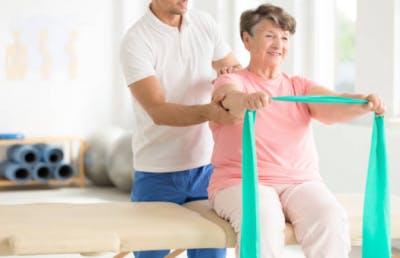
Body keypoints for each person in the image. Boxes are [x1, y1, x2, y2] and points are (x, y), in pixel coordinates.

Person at [208, 3, 386, 258]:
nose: (278, 44)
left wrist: (363, 103)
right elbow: (227, 101)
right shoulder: (232, 81)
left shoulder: (298, 86)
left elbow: (334, 104)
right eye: (269, 36)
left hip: (300, 182)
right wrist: (246, 101)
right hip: (240, 181)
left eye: (284, 38)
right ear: (247, 40)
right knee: (264, 220)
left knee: (330, 218)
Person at [120, 0, 241, 257]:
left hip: (208, 168)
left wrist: (230, 79)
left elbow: (234, 70)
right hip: (157, 172)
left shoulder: (205, 23)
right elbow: (159, 111)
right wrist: (212, 112)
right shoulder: (136, 40)